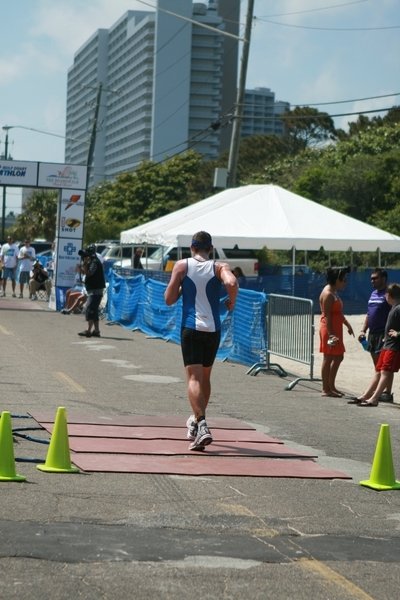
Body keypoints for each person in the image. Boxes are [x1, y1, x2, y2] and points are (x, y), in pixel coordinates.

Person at [164, 231, 238, 451]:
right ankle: (196, 422)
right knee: (205, 376)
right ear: (211, 249)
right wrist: (231, 303)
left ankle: (202, 424)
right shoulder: (219, 266)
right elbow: (232, 283)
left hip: (191, 328)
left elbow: (168, 300)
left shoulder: (182, 266)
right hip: (213, 329)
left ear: (192, 247)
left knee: (193, 379)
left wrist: (181, 287)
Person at [356, 283, 400, 407]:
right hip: (386, 344)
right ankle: (366, 395)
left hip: (394, 347)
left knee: (385, 372)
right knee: (379, 370)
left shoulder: (398, 308)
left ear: (389, 295)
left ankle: (374, 398)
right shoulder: (394, 307)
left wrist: (398, 333)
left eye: (386, 294)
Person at [353, 268, 392, 403]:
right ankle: (380, 391)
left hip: (384, 334)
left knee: (385, 366)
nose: (372, 281)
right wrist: (363, 330)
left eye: (375, 278)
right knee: (377, 365)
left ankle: (386, 393)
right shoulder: (373, 294)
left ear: (383, 279)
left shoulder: (389, 294)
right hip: (372, 334)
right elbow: (369, 314)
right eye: (371, 278)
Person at [319, 267, 354, 397]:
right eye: (343, 280)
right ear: (336, 280)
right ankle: (325, 389)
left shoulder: (334, 292)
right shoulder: (328, 294)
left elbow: (338, 312)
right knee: (328, 357)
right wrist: (331, 334)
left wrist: (347, 324)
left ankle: (331, 386)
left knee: (338, 356)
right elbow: (327, 316)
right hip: (329, 329)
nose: (345, 282)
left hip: (335, 328)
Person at [77, 245, 105, 337]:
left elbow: (89, 273)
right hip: (93, 290)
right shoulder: (92, 262)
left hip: (95, 291)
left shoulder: (95, 262)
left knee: (89, 309)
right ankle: (96, 331)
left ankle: (88, 330)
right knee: (94, 311)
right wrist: (82, 268)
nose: (85, 256)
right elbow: (87, 273)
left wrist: (84, 264)